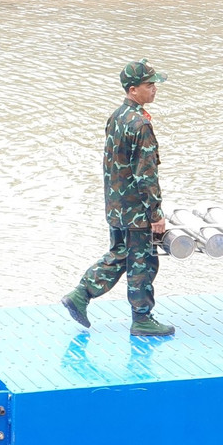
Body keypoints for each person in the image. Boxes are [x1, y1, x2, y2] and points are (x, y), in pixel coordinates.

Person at [61, 60, 174, 337]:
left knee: (121, 254)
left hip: (116, 203)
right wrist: (156, 214)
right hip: (135, 208)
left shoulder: (118, 116)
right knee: (143, 262)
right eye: (149, 85)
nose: (155, 89)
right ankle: (142, 319)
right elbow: (145, 175)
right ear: (133, 90)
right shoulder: (140, 124)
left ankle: (81, 294)